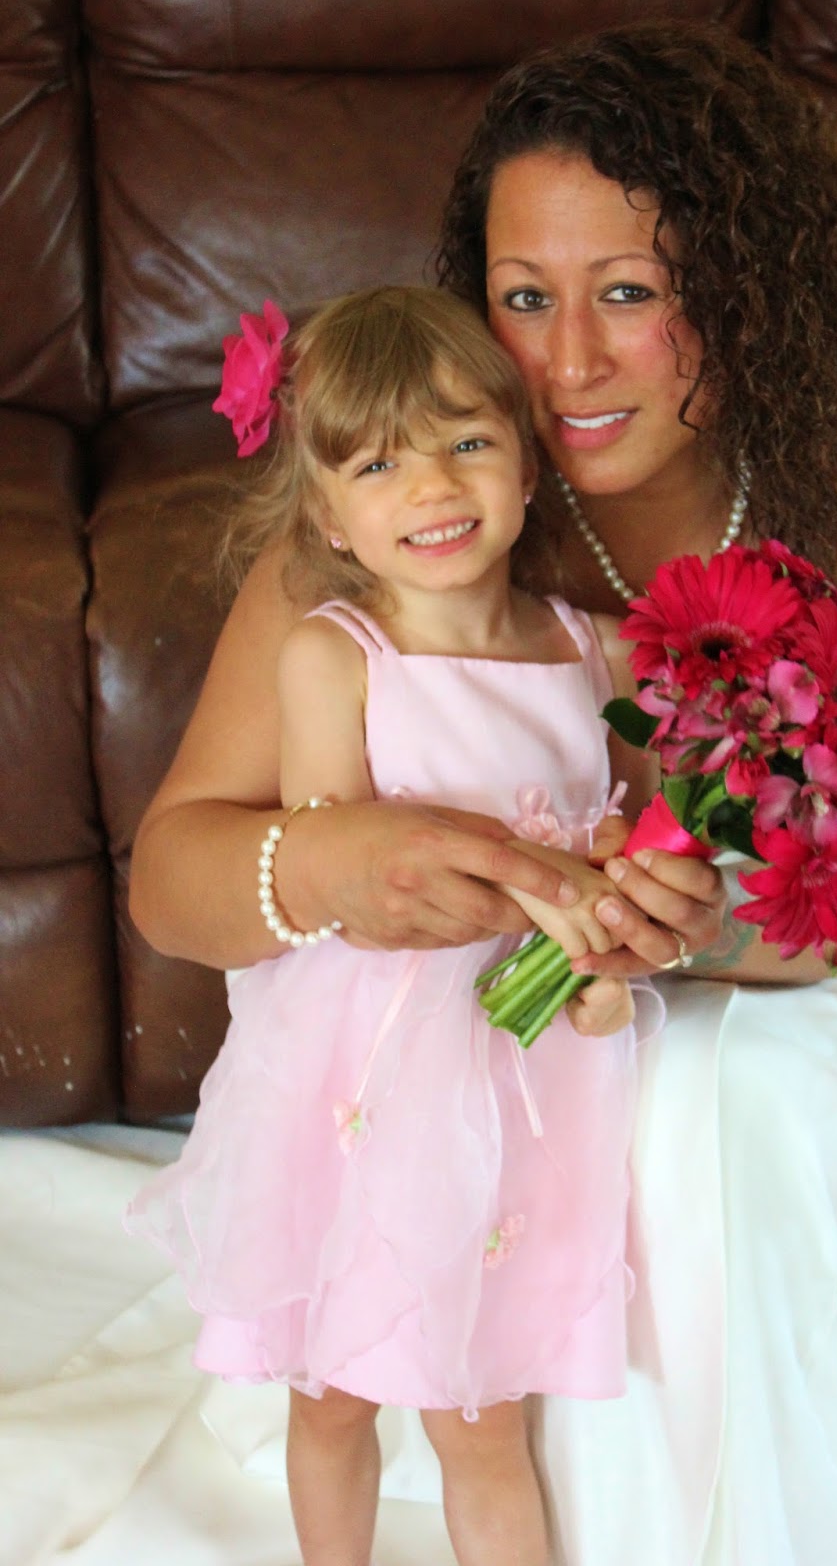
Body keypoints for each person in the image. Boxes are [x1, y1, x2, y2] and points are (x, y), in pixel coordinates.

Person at [129, 22, 837, 1566]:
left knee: (727, 1103)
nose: (567, 363)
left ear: (747, 292)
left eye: (631, 294)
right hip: (451, 1050)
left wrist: (694, 930)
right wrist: (329, 863)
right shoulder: (410, 525)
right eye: (524, 298)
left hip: (756, 1003)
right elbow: (168, 881)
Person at [126, 283, 663, 1566]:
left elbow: (632, 851)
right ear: (327, 515)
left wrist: (608, 939)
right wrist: (502, 882)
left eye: (467, 442)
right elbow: (343, 884)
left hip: (524, 1081)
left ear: (527, 464)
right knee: (334, 1393)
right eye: (377, 465)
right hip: (370, 1084)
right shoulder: (333, 656)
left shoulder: (603, 658)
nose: (431, 486)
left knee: (485, 1410)